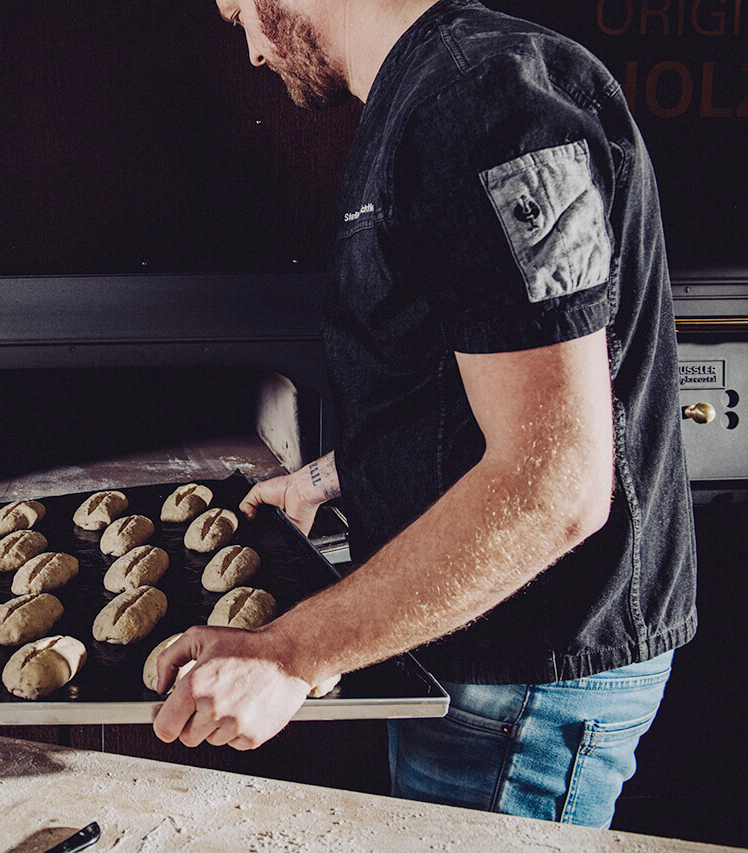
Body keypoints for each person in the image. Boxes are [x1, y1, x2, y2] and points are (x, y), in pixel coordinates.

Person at [152, 0, 697, 828]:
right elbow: (486, 384)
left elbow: (555, 484)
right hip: (489, 664)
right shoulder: (433, 94)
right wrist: (343, 475)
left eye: (238, 17)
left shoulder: (478, 105)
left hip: (524, 679)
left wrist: (295, 652)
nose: (255, 54)